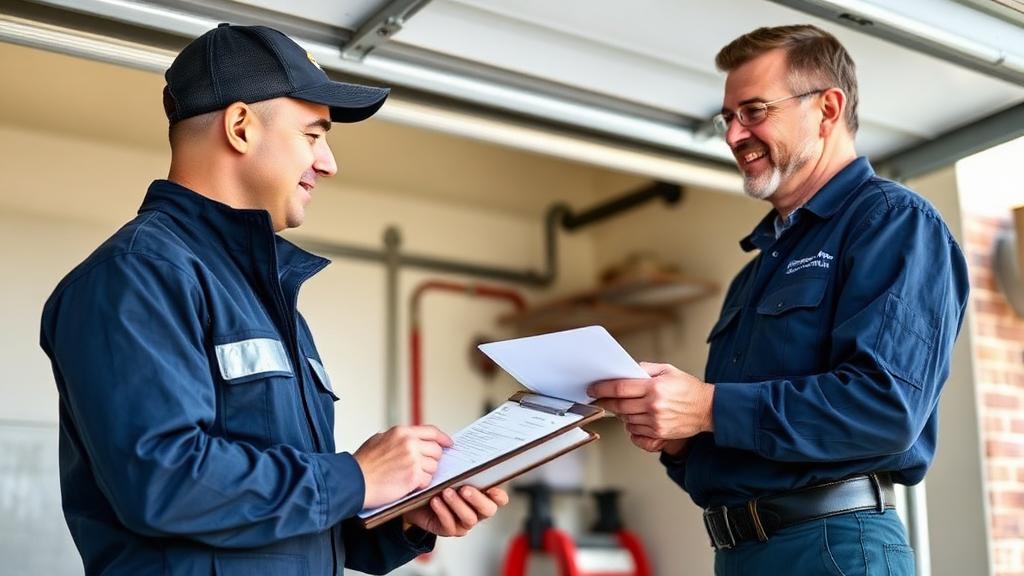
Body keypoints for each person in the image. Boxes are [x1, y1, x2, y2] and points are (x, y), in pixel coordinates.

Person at [39, 23, 507, 575]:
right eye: (312, 135)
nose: (329, 163)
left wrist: (399, 516)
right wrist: (355, 477)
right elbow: (162, 482)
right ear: (240, 127)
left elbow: (280, 531)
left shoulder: (259, 293)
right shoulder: (137, 275)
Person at [587, 24, 969, 575]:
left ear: (827, 109)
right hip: (740, 553)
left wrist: (707, 407)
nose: (733, 134)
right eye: (727, 117)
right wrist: (677, 436)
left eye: (754, 111)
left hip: (835, 549)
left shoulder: (893, 222)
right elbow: (743, 447)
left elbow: (886, 408)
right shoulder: (753, 275)